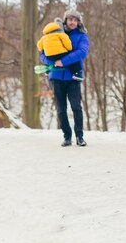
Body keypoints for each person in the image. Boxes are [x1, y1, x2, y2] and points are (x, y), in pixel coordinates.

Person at [39, 9, 90, 147]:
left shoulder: (82, 36)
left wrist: (63, 61)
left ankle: (80, 136)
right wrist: (52, 62)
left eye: (75, 20)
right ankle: (67, 136)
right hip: (56, 76)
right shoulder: (54, 34)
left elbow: (82, 52)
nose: (72, 22)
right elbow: (42, 53)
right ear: (65, 20)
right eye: (70, 19)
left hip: (74, 77)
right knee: (61, 109)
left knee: (76, 107)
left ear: (78, 22)